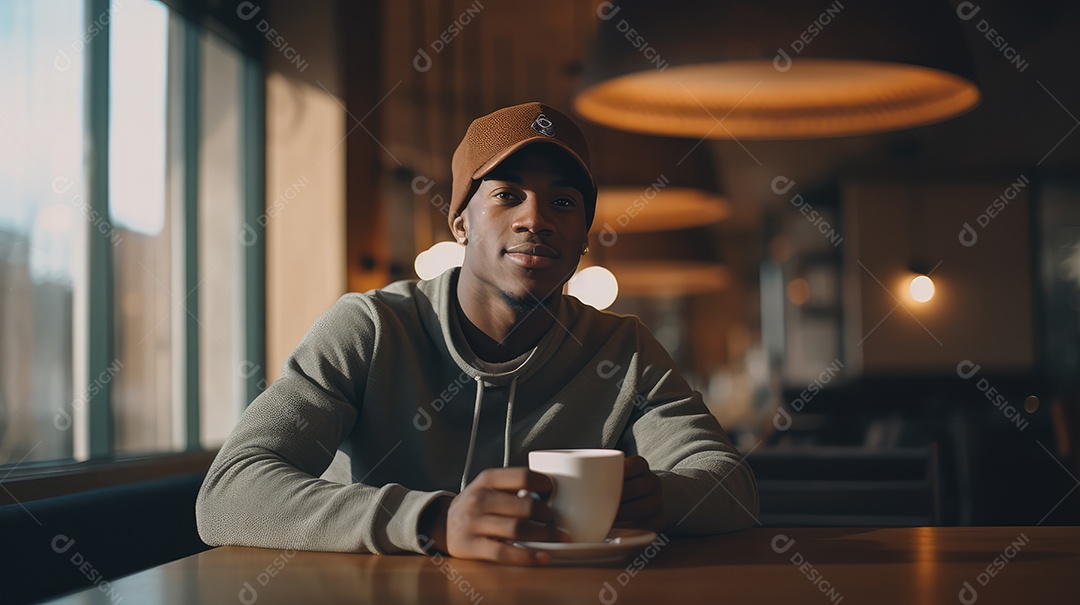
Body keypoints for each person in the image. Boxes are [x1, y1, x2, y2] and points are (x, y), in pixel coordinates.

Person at [196, 102, 759, 565]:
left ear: (584, 235)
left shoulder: (624, 349)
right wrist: (434, 521)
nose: (535, 219)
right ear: (461, 221)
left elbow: (731, 487)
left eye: (563, 203)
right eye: (507, 194)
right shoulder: (370, 327)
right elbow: (228, 494)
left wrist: (660, 498)